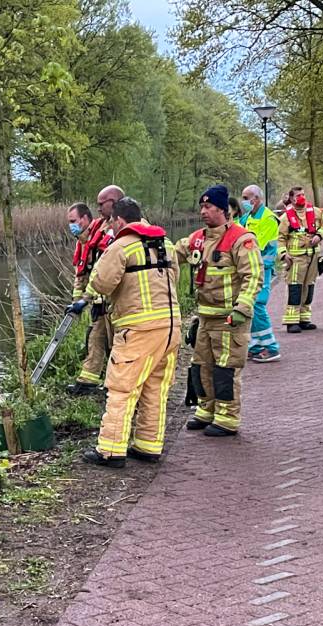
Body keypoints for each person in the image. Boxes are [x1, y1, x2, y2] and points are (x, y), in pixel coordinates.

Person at [69, 196, 182, 467]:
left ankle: (110, 450)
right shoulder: (165, 243)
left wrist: (85, 298)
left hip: (139, 328)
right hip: (171, 326)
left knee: (121, 388)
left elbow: (102, 281)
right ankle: (148, 445)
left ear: (119, 220)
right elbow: (174, 276)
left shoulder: (121, 246)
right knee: (155, 388)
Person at [177, 185, 263, 436]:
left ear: (223, 210)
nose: (203, 212)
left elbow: (253, 276)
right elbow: (173, 253)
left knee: (225, 369)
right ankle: (206, 410)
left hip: (229, 319)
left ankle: (227, 417)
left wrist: (242, 308)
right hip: (205, 316)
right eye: (201, 207)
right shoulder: (197, 239)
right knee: (200, 365)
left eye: (208, 207)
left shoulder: (241, 239)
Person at [67, 187, 120, 395]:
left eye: (74, 221)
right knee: (95, 338)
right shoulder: (84, 241)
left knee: (115, 343)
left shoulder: (112, 230)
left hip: (110, 299)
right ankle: (87, 381)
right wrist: (77, 300)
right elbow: (81, 274)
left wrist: (86, 298)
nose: (71, 225)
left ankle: (115, 386)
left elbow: (103, 269)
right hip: (98, 300)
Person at [237, 185, 282, 362]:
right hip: (250, 269)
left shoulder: (269, 218)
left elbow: (257, 245)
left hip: (263, 268)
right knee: (250, 306)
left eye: (246, 197)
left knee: (257, 305)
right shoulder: (246, 218)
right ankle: (255, 346)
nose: (244, 201)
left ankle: (271, 348)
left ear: (257, 199)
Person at [278, 192, 323, 333]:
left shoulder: (316, 212)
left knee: (309, 287)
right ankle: (291, 321)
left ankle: (304, 319)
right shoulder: (285, 218)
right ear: (291, 198)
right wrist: (283, 254)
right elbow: (280, 238)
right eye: (298, 195)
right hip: (295, 258)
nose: (301, 197)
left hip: (312, 256)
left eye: (303, 194)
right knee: (295, 288)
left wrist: (319, 235)